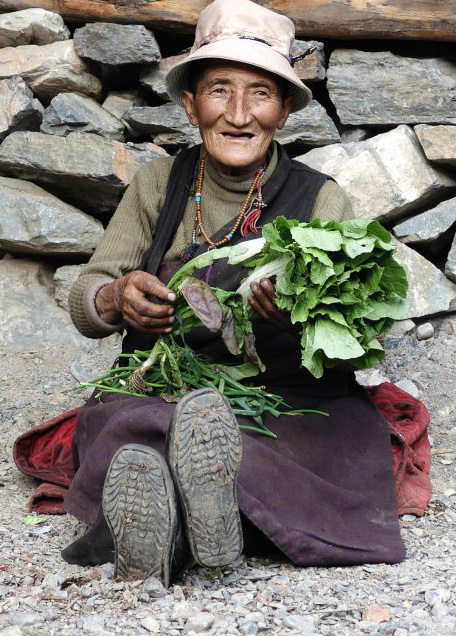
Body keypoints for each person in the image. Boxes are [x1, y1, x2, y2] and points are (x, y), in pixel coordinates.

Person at [62, 0, 405, 586]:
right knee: (134, 425)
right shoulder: (157, 186)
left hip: (285, 401)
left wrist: (306, 319)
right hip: (167, 388)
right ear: (190, 103)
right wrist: (117, 297)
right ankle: (206, 512)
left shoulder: (321, 201)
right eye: (220, 90)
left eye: (261, 94)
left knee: (295, 447)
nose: (240, 114)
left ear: (287, 110)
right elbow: (86, 297)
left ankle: (170, 526)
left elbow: (366, 329)